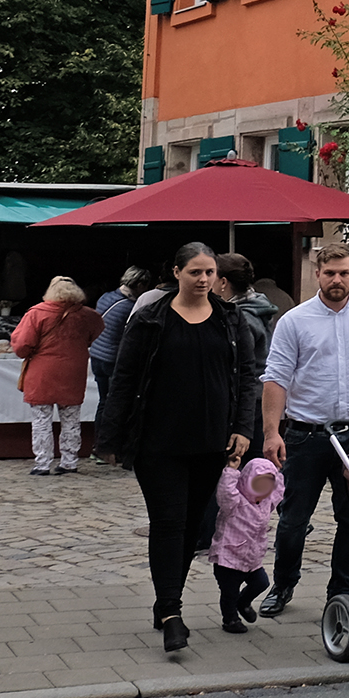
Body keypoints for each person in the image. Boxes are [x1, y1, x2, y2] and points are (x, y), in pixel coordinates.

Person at [103, 242, 258, 651]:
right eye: (195, 272)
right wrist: (110, 437)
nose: (203, 279)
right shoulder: (150, 319)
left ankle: (164, 599)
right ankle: (173, 613)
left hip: (211, 440)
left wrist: (243, 428)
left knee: (191, 526)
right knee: (169, 522)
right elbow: (124, 379)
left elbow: (246, 377)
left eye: (210, 272)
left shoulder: (230, 319)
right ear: (176, 273)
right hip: (159, 442)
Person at [256, 239, 349, 617]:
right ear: (317, 275)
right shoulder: (294, 321)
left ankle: (341, 592)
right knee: (293, 520)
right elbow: (276, 378)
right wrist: (272, 433)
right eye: (329, 273)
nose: (336, 280)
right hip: (306, 433)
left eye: (344, 273)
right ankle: (283, 583)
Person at [10, 276, 99, 476]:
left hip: (43, 371)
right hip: (73, 371)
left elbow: (21, 345)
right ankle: (69, 461)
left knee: (41, 418)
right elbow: (97, 330)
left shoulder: (36, 313)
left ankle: (42, 463)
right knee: (71, 418)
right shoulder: (87, 314)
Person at [210, 453, 282, 634]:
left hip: (251, 559)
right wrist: (231, 470)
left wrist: (277, 468)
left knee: (262, 582)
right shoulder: (235, 502)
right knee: (229, 592)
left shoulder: (266, 502)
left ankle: (243, 602)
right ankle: (230, 620)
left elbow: (279, 492)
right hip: (228, 558)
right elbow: (225, 493)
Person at [217, 252, 278, 455]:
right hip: (257, 397)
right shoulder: (257, 305)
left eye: (210, 274)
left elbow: (236, 363)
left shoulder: (242, 317)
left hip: (247, 402)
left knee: (245, 463)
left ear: (223, 282)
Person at [89, 268, 145, 413]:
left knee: (103, 400)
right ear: (139, 285)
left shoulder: (105, 297)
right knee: (116, 401)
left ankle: (99, 427)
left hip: (96, 355)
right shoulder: (130, 307)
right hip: (112, 358)